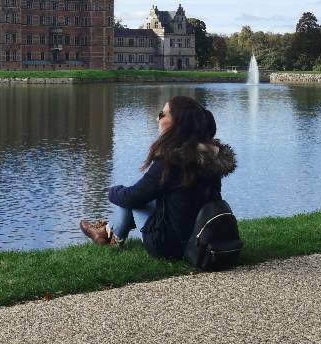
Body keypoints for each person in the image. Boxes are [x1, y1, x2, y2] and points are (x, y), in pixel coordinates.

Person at [80, 95, 236, 260]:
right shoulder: (210, 155)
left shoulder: (171, 160)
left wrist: (111, 191)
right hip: (202, 236)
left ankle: (111, 237)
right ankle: (105, 233)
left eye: (162, 114)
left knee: (127, 198)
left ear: (177, 122)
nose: (157, 118)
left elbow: (132, 198)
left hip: (170, 246)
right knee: (135, 195)